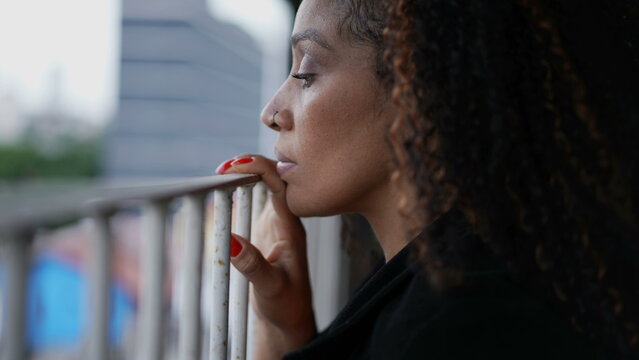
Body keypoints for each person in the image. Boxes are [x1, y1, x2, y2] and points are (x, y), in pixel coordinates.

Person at [215, 0, 639, 358]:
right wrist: (287, 328)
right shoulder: (475, 269)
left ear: (418, 89)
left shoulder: (458, 322)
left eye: (306, 72)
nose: (271, 113)